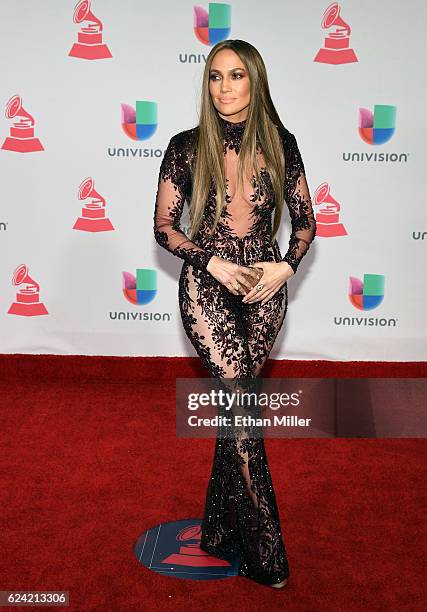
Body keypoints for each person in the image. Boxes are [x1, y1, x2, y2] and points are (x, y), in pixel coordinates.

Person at [153, 39, 316, 588]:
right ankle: (266, 547)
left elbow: (306, 223)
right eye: (216, 77)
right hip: (208, 284)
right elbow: (165, 228)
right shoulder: (184, 146)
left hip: (265, 287)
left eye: (237, 76)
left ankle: (221, 527)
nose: (225, 87)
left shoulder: (281, 142)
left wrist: (285, 268)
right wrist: (212, 262)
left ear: (256, 82)